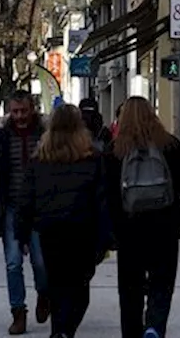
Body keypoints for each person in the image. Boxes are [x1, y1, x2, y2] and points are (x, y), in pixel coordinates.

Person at [16, 104, 113, 338]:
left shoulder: (39, 160)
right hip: (82, 231)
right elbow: (102, 202)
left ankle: (60, 331)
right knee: (80, 287)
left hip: (50, 230)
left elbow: (26, 200)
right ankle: (64, 330)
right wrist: (106, 237)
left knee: (57, 284)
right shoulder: (92, 158)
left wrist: (22, 233)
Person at [105, 96, 180, 338]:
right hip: (164, 227)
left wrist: (111, 230)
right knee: (162, 284)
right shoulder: (169, 145)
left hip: (129, 230)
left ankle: (132, 333)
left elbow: (109, 195)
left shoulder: (115, 151)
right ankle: (154, 326)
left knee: (130, 290)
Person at [0, 90, 50, 335]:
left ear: (32, 109)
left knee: (41, 261)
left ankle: (44, 293)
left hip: (39, 208)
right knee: (12, 262)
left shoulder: (46, 134)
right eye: (15, 111)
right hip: (11, 207)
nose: (19, 116)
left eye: (24, 111)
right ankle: (18, 312)